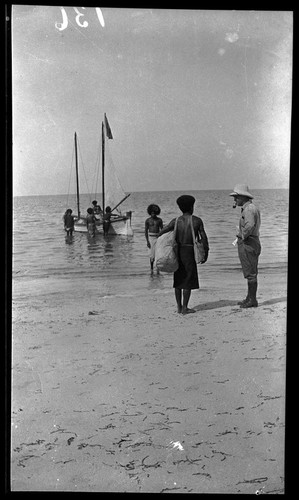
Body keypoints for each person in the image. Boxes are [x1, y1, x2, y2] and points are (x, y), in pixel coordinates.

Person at [157, 195, 209, 314]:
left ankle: (179, 307)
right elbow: (204, 238)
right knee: (188, 280)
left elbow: (161, 233)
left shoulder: (175, 221)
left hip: (178, 251)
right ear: (191, 207)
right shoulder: (196, 220)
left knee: (178, 280)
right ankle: (185, 307)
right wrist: (206, 252)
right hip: (189, 251)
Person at [229, 184, 261, 308]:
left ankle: (252, 300)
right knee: (250, 271)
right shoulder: (250, 208)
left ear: (243, 197)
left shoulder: (248, 209)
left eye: (236, 197)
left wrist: (242, 236)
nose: (235, 200)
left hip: (249, 242)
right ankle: (250, 298)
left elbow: (249, 226)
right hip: (252, 241)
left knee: (251, 272)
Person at [145, 204, 163, 274]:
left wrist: (162, 239)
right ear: (150, 213)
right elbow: (146, 231)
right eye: (152, 213)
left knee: (158, 253)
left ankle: (158, 268)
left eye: (154, 213)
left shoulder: (159, 220)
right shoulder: (148, 220)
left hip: (158, 238)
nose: (153, 214)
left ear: (157, 213)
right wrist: (147, 241)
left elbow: (162, 230)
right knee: (151, 255)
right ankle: (152, 268)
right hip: (151, 238)